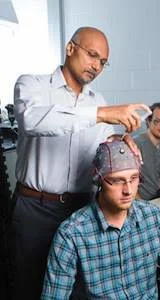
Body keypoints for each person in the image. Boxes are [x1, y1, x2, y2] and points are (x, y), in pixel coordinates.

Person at [9, 26, 151, 300]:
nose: (96, 66)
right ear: (70, 48)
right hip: (35, 209)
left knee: (78, 291)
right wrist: (101, 114)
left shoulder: (98, 103)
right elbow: (33, 120)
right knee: (29, 286)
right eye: (92, 55)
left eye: (103, 62)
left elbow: (103, 148)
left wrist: (121, 141)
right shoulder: (31, 85)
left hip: (83, 211)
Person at [41, 140, 160, 300]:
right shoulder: (71, 234)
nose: (128, 190)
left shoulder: (152, 217)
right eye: (117, 180)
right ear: (99, 180)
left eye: (134, 178)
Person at [134, 102, 160, 199]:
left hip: (154, 202)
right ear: (148, 121)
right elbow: (125, 184)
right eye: (158, 121)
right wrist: (143, 207)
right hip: (137, 204)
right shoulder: (136, 144)